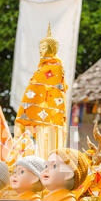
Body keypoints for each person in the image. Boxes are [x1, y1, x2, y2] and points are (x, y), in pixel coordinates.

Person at [14, 24, 67, 159]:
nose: (40, 51)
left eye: (43, 48)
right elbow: (34, 90)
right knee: (41, 151)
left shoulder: (56, 68)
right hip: (40, 115)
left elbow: (56, 92)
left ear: (51, 49)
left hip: (51, 115)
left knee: (50, 151)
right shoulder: (41, 68)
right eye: (40, 48)